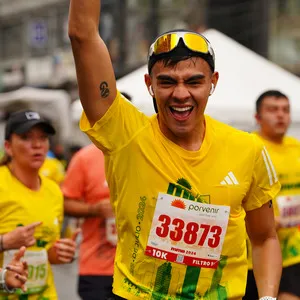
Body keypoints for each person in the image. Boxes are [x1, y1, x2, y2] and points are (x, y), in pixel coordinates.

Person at [68, 1, 282, 299]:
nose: (181, 94)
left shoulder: (247, 148)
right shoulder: (125, 135)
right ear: (149, 84)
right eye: (167, 82)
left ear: (212, 83)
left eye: (194, 81)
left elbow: (264, 238)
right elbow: (83, 35)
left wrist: (269, 297)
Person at [0, 110, 79, 299]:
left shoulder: (53, 190)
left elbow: (43, 252)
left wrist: (57, 253)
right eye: (26, 138)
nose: (37, 145)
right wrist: (4, 242)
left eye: (43, 138)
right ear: (8, 147)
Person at [244, 90, 300, 300]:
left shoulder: (296, 147)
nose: (280, 115)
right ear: (257, 117)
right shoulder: (249, 148)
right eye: (273, 110)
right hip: (255, 254)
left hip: (293, 252)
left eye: (285, 110)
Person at [62, 143, 115, 300]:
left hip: (138, 268)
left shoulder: (143, 153)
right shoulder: (84, 158)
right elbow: (65, 203)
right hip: (96, 268)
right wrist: (95, 209)